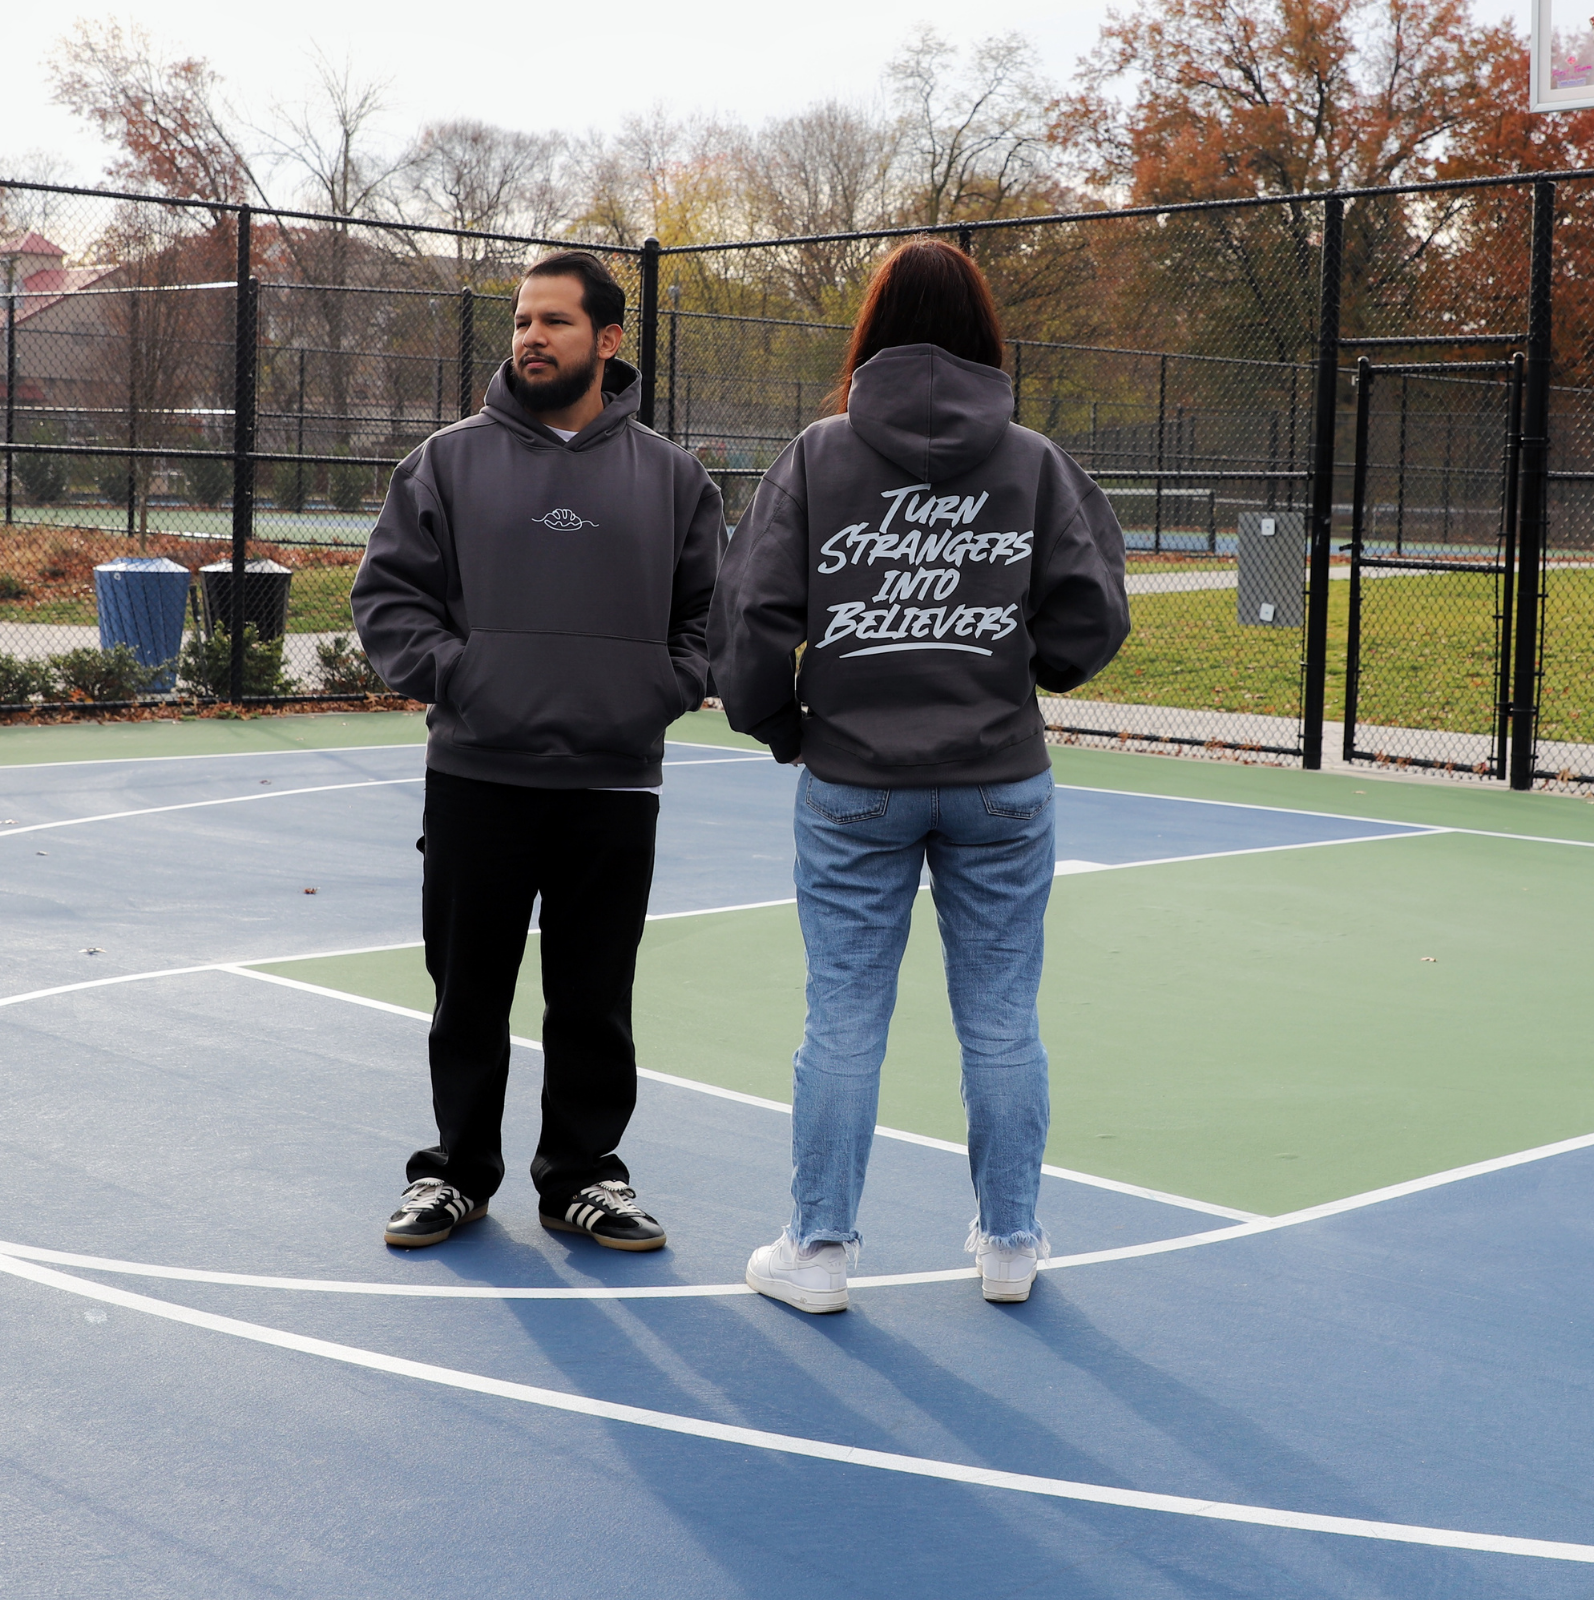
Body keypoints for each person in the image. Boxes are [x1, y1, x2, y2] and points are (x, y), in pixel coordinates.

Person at [709, 239, 1129, 1311]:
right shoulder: (1029, 459)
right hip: (999, 774)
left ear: (872, 328)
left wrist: (780, 723)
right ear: (986, 333)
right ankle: (1008, 1244)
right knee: (1000, 1016)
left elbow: (752, 616)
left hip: (852, 777)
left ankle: (817, 1251)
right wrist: (1034, 673)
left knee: (843, 1013)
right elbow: (1092, 607)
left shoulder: (817, 454)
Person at [352, 249, 721, 1253]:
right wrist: (465, 676)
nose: (530, 336)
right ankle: (456, 1172)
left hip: (612, 780)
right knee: (465, 991)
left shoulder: (675, 477)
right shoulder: (445, 461)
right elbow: (387, 599)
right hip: (479, 775)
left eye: (555, 320)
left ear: (607, 339)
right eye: (522, 319)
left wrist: (658, 685)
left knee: (594, 996)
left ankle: (581, 1176)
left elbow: (706, 619)